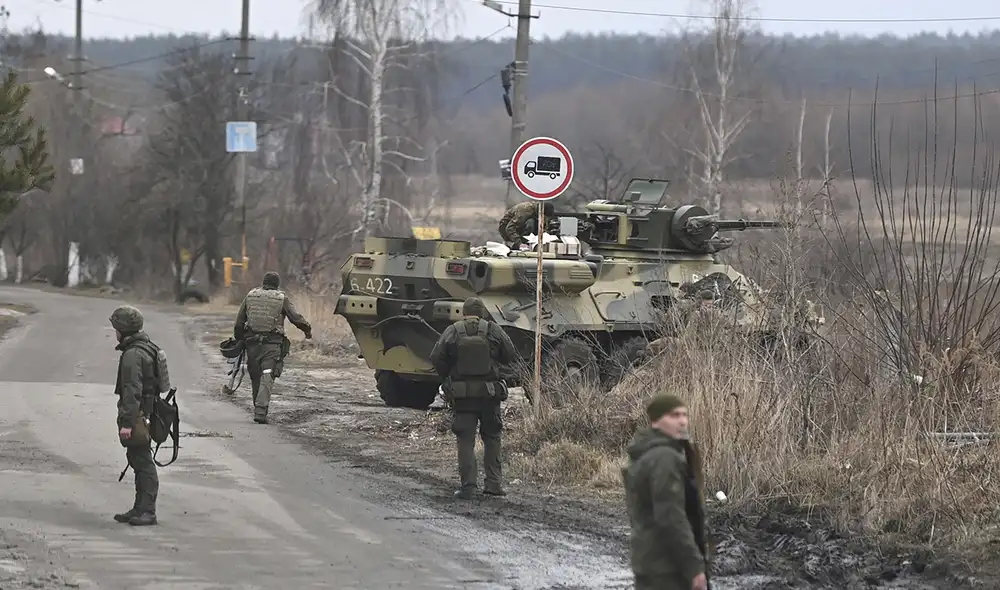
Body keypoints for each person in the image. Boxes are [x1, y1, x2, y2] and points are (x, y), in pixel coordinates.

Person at [429, 296, 518, 499]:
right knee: (493, 437)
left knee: (465, 440)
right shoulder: (493, 329)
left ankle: (468, 486)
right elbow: (510, 353)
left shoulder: (453, 330)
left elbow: (436, 356)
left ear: (464, 312)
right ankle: (494, 484)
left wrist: (448, 377)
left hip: (463, 395)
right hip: (490, 394)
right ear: (483, 313)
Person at [623, 394, 710, 590]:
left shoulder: (647, 452)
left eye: (684, 415)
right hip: (667, 568)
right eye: (674, 415)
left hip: (651, 562)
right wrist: (694, 567)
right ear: (656, 420)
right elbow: (670, 517)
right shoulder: (664, 458)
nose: (682, 421)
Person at [234, 271, 312, 424]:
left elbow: (239, 321)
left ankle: (258, 407)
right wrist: (307, 330)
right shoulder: (281, 298)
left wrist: (239, 339)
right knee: (267, 375)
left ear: (263, 282)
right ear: (277, 284)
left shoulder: (250, 296)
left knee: (256, 376)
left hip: (252, 344)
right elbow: (295, 318)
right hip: (272, 344)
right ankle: (261, 411)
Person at [110, 305, 160, 527]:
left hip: (138, 414)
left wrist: (127, 423)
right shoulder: (146, 347)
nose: (115, 332)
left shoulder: (133, 354)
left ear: (123, 329)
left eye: (116, 328)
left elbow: (132, 391)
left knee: (142, 461)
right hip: (146, 412)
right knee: (138, 458)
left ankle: (147, 511)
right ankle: (139, 508)